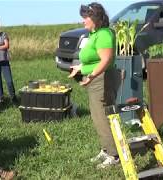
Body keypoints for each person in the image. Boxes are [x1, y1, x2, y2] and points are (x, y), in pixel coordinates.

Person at [68, 2, 119, 168]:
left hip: (102, 78)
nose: (83, 21)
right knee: (98, 116)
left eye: (85, 17)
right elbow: (94, 59)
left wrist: (91, 75)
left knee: (102, 117)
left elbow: (106, 60)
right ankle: (106, 148)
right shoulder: (95, 34)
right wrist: (80, 67)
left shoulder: (104, 34)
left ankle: (114, 155)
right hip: (97, 78)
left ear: (95, 18)